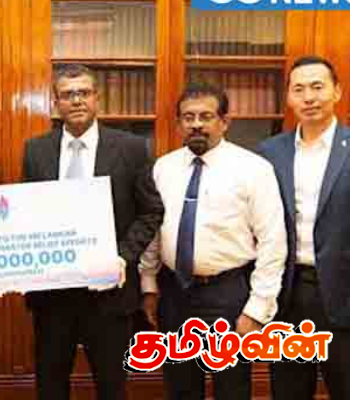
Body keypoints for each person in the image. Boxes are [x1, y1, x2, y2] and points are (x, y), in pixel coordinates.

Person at [22, 64, 163, 400]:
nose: (76, 101)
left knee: (111, 386)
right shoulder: (35, 150)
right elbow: (27, 213)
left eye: (83, 93)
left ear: (97, 97)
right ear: (56, 102)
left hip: (110, 294)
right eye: (68, 94)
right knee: (50, 384)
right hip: (53, 295)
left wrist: (122, 257)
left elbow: (151, 211)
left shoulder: (131, 148)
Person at [139, 81, 287, 400]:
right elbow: (153, 232)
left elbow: (273, 243)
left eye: (206, 116)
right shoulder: (163, 168)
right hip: (174, 292)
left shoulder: (254, 170)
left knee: (232, 387)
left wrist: (257, 309)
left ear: (224, 121)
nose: (196, 124)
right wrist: (149, 285)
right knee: (180, 386)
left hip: (228, 293)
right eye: (188, 117)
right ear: (178, 123)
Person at [258, 55, 350, 400]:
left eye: (317, 87)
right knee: (288, 390)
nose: (309, 97)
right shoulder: (269, 152)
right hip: (288, 293)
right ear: (288, 97)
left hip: (343, 293)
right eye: (299, 89)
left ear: (337, 92)